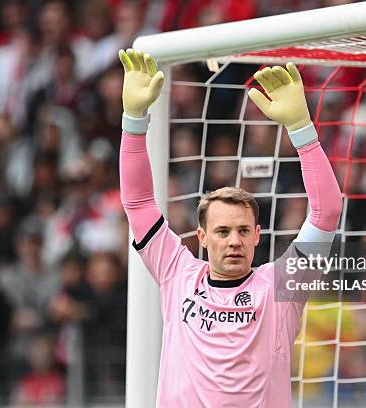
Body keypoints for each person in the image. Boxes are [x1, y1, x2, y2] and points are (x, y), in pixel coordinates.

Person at [118, 49, 342, 406]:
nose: (234, 241)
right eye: (222, 231)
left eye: (243, 231)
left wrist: (302, 129)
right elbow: (139, 203)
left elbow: (326, 212)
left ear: (257, 236)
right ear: (202, 237)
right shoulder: (177, 272)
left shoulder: (281, 286)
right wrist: (133, 119)